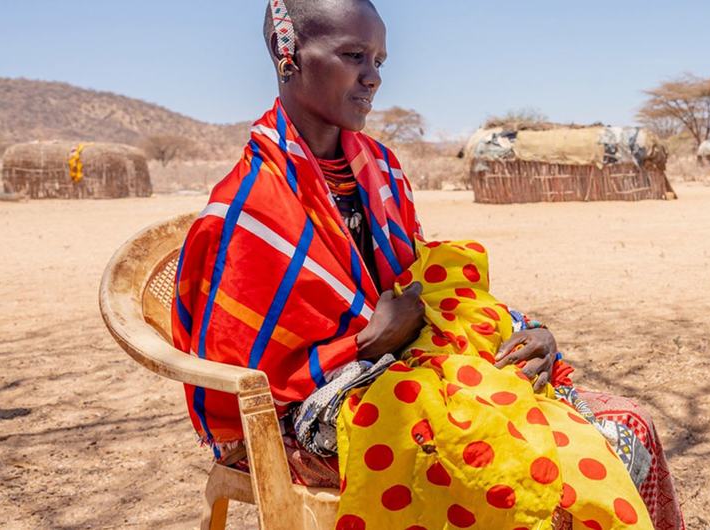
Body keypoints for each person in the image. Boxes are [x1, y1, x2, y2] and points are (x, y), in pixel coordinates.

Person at [170, 1, 683, 527]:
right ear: (289, 55)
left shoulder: (381, 172)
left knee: (629, 425)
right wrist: (366, 344)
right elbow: (240, 377)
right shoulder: (250, 206)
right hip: (305, 417)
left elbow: (424, 289)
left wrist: (528, 331)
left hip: (413, 370)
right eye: (353, 56)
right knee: (513, 468)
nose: (372, 78)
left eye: (379, 61)